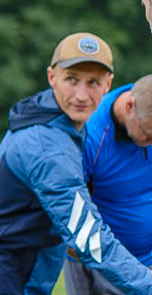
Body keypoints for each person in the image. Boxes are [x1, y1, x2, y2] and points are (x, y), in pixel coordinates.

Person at [0, 33, 152, 294]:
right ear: (51, 77)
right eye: (72, 80)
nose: (81, 95)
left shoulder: (50, 119)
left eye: (93, 83)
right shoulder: (47, 148)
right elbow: (88, 238)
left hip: (18, 269)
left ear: (108, 85)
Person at [62, 74, 152, 294]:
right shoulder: (90, 133)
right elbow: (73, 211)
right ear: (130, 106)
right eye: (148, 135)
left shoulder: (146, 111)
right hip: (102, 263)